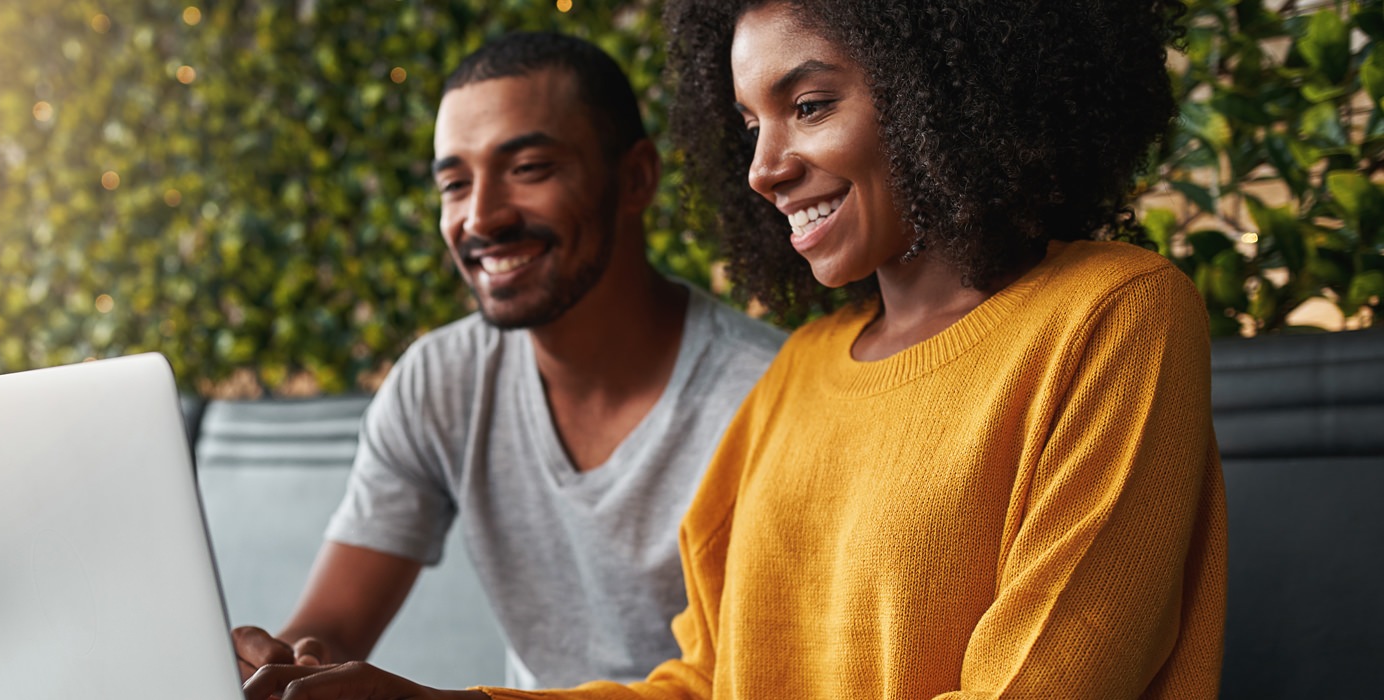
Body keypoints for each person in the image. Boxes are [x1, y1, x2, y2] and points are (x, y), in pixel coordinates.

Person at [242, 0, 1227, 698]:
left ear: (943, 90)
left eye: (807, 106)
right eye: (749, 123)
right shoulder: (800, 375)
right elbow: (708, 683)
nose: (763, 167)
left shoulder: (1116, 314)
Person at [230, 31, 785, 690]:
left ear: (636, 177)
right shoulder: (440, 383)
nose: (481, 217)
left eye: (529, 169)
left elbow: (751, 682)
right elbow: (332, 628)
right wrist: (281, 662)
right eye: (455, 183)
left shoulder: (764, 400)